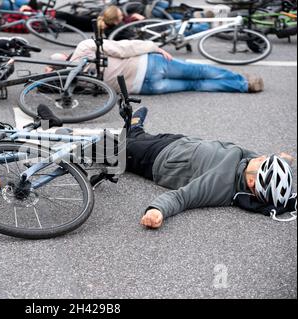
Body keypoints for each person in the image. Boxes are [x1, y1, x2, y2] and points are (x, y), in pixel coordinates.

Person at [125, 107, 296, 229]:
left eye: (262, 162)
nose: (261, 157)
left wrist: (158, 210)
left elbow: (182, 198)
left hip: (158, 160)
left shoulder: (220, 185)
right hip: (181, 142)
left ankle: (129, 134)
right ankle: (135, 129)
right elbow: (273, 173)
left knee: (111, 147)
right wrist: (284, 161)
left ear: (251, 181)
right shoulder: (252, 168)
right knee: (144, 137)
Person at [62, 38, 263, 95]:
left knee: (196, 85)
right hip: (147, 64)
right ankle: (243, 80)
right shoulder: (85, 46)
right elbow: (123, 49)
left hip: (142, 87)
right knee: (199, 71)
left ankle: (243, 87)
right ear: (64, 56)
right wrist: (153, 47)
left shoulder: (76, 81)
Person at [99, 4, 215, 41]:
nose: (123, 15)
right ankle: (209, 26)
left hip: (156, 27)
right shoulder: (119, 30)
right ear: (116, 20)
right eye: (120, 15)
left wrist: (136, 19)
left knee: (183, 25)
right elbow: (138, 34)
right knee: (186, 28)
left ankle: (205, 22)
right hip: (157, 32)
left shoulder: (114, 25)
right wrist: (142, 20)